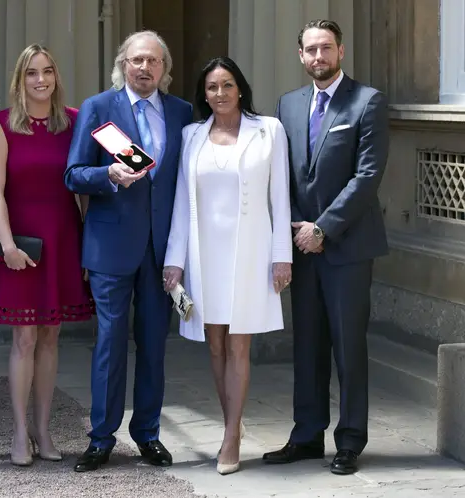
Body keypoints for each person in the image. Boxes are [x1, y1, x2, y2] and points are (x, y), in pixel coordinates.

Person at [261, 19, 389, 475]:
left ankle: (350, 440)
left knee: (347, 347)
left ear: (341, 51)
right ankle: (307, 435)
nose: (319, 57)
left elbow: (367, 176)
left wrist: (324, 228)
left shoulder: (367, 101)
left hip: (347, 247)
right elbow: (285, 172)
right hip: (301, 245)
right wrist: (296, 228)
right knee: (307, 345)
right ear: (300, 55)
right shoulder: (288, 104)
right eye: (311, 50)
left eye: (326, 49)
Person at [64, 30, 193, 472]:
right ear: (123, 63)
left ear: (164, 68)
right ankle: (101, 437)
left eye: (153, 61)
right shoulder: (99, 108)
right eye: (136, 59)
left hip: (161, 250)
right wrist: (110, 176)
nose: (144, 68)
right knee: (110, 344)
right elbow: (74, 174)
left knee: (155, 345)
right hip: (110, 245)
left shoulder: (182, 113)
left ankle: (148, 435)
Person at [163, 57, 292, 475]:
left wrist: (281, 255)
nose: (221, 93)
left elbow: (280, 197)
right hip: (204, 254)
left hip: (251, 252)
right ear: (204, 93)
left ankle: (231, 436)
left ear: (241, 89)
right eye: (213, 87)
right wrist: (174, 262)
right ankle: (229, 424)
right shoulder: (190, 135)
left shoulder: (268, 130)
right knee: (215, 344)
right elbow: (182, 201)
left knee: (239, 344)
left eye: (228, 85)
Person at [0, 44, 94, 466]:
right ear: (19, 79)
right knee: (24, 337)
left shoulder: (76, 122)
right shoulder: (2, 125)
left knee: (51, 336)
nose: (41, 80)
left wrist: (88, 248)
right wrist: (6, 246)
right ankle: (20, 432)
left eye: (47, 71)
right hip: (19, 243)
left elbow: (84, 188)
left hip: (63, 240)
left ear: (56, 76)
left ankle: (44, 430)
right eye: (31, 73)